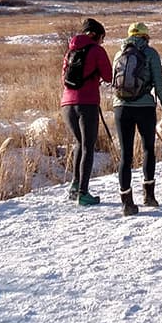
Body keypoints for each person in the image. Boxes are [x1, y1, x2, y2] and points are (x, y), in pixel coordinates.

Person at [111, 22, 162, 217]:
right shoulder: (151, 54)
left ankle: (126, 202)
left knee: (126, 154)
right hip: (145, 106)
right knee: (147, 150)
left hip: (121, 107)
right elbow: (159, 84)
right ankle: (149, 196)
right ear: (146, 36)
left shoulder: (118, 54)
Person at [61, 17, 112, 206]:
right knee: (88, 146)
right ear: (96, 35)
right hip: (87, 103)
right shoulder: (97, 51)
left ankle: (75, 186)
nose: (102, 41)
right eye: (102, 37)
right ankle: (83, 192)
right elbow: (108, 76)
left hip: (66, 104)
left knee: (78, 143)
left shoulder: (70, 52)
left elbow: (63, 78)